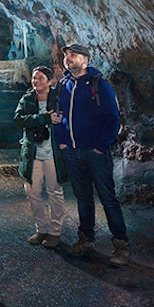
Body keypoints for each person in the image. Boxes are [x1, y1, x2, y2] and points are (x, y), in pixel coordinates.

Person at [55, 43, 129, 266]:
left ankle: (121, 247)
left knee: (108, 199)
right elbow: (57, 113)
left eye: (74, 55)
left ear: (85, 60)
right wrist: (63, 143)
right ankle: (86, 239)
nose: (69, 58)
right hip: (72, 152)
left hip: (96, 152)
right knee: (83, 198)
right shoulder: (63, 85)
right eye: (67, 55)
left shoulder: (100, 85)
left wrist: (100, 146)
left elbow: (113, 119)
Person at [13, 66, 68, 248]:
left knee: (55, 192)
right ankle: (41, 229)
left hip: (53, 153)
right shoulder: (27, 99)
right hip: (33, 153)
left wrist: (62, 122)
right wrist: (43, 118)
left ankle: (55, 231)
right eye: (34, 78)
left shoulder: (59, 97)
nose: (36, 81)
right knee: (33, 192)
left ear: (50, 81)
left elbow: (69, 117)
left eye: (41, 78)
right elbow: (19, 119)